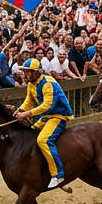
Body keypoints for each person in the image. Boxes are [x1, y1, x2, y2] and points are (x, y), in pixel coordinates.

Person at [14, 58, 75, 189]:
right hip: (46, 116)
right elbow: (29, 100)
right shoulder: (31, 83)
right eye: (25, 72)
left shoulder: (48, 83)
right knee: (30, 133)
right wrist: (20, 109)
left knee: (43, 140)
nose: (26, 75)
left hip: (58, 116)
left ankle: (58, 175)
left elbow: (47, 106)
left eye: (29, 72)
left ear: (37, 72)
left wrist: (27, 114)